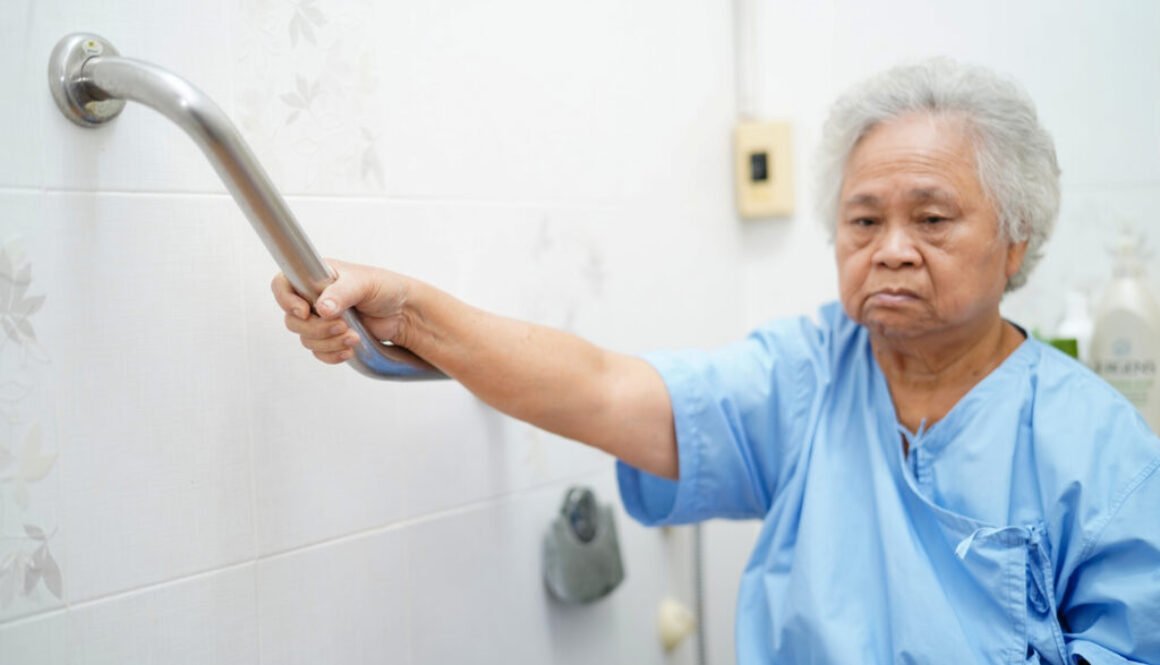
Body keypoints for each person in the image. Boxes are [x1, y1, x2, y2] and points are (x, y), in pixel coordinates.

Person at [270, 59, 1160, 663]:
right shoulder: (807, 374)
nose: (889, 249)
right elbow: (601, 386)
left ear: (1015, 242)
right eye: (861, 220)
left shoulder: (1098, 446)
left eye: (931, 219)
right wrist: (413, 312)